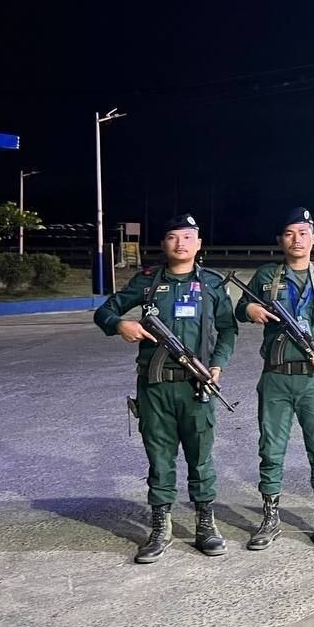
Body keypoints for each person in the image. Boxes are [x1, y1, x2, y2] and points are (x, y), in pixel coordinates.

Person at [93, 214, 237, 563]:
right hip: (155, 388)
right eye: (173, 237)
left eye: (188, 237)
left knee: (200, 458)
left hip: (196, 385)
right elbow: (104, 311)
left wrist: (217, 365)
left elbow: (228, 330)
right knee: (159, 459)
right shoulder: (146, 282)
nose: (180, 243)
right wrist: (120, 325)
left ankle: (205, 525)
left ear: (198, 244)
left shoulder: (212, 284)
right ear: (164, 244)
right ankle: (161, 527)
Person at [236, 207, 314, 550]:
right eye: (289, 234)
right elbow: (239, 308)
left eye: (303, 233)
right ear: (280, 240)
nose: (297, 239)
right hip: (276, 377)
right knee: (271, 449)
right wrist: (249, 309)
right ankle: (270, 518)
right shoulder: (266, 276)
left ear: (313, 238)